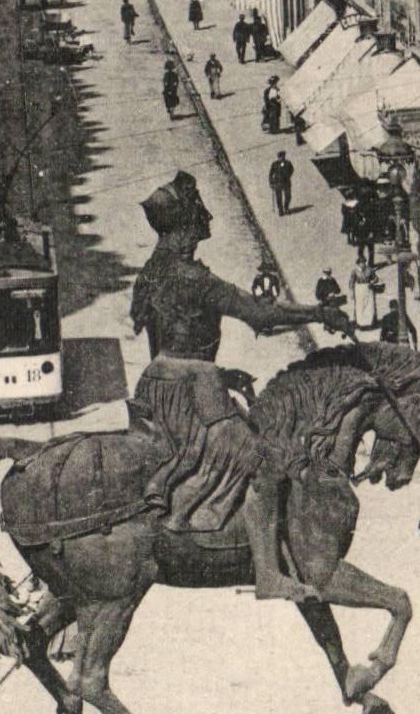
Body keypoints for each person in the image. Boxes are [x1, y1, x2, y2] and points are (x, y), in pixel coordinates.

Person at [129, 172, 350, 599]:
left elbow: (164, 341)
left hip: (156, 382)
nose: (205, 223)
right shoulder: (195, 279)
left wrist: (215, 372)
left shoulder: (152, 272)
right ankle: (268, 573)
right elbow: (260, 316)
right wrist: (320, 314)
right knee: (264, 462)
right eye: (199, 218)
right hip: (193, 388)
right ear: (187, 226)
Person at [349, 251, 378, 330]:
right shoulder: (354, 271)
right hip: (359, 288)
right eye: (361, 263)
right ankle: (360, 323)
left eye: (364, 262)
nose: (363, 264)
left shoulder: (369, 270)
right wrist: (351, 292)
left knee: (369, 305)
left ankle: (369, 323)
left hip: (368, 288)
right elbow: (351, 282)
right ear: (358, 263)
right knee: (360, 305)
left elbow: (375, 278)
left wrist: (372, 282)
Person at [268, 150, 294, 216]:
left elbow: (292, 170)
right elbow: (270, 174)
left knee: (288, 196)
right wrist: (271, 182)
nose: (281, 158)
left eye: (283, 156)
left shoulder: (288, 163)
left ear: (284, 156)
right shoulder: (274, 164)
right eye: (280, 157)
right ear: (278, 157)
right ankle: (280, 210)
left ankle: (286, 207)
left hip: (286, 182)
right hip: (277, 183)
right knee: (278, 198)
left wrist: (288, 176)